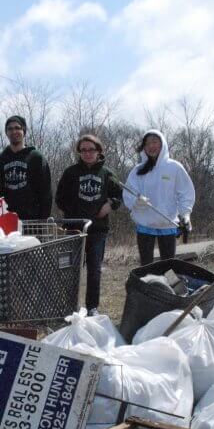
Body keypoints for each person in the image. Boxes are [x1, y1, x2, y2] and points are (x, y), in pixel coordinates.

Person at [55, 134, 123, 315]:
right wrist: (75, 212)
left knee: (94, 270)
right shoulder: (71, 173)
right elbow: (60, 199)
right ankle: (69, 307)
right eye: (83, 150)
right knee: (72, 269)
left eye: (91, 149)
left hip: (98, 229)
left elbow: (118, 196)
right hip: (74, 229)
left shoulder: (107, 173)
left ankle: (92, 307)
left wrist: (109, 205)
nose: (87, 153)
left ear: (99, 151)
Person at [122, 129, 195, 266]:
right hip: (144, 225)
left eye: (154, 142)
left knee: (168, 266)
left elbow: (186, 193)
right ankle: (147, 286)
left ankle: (166, 287)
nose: (151, 146)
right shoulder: (137, 170)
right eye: (147, 143)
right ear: (143, 147)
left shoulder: (174, 167)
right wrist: (137, 202)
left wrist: (185, 215)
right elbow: (128, 193)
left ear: (162, 144)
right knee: (146, 266)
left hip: (168, 225)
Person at [0, 115, 52, 220]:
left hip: (32, 221)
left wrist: (43, 219)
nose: (14, 132)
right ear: (6, 133)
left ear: (24, 131)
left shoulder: (36, 157)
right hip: (6, 220)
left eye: (17, 128)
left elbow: (45, 192)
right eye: (10, 129)